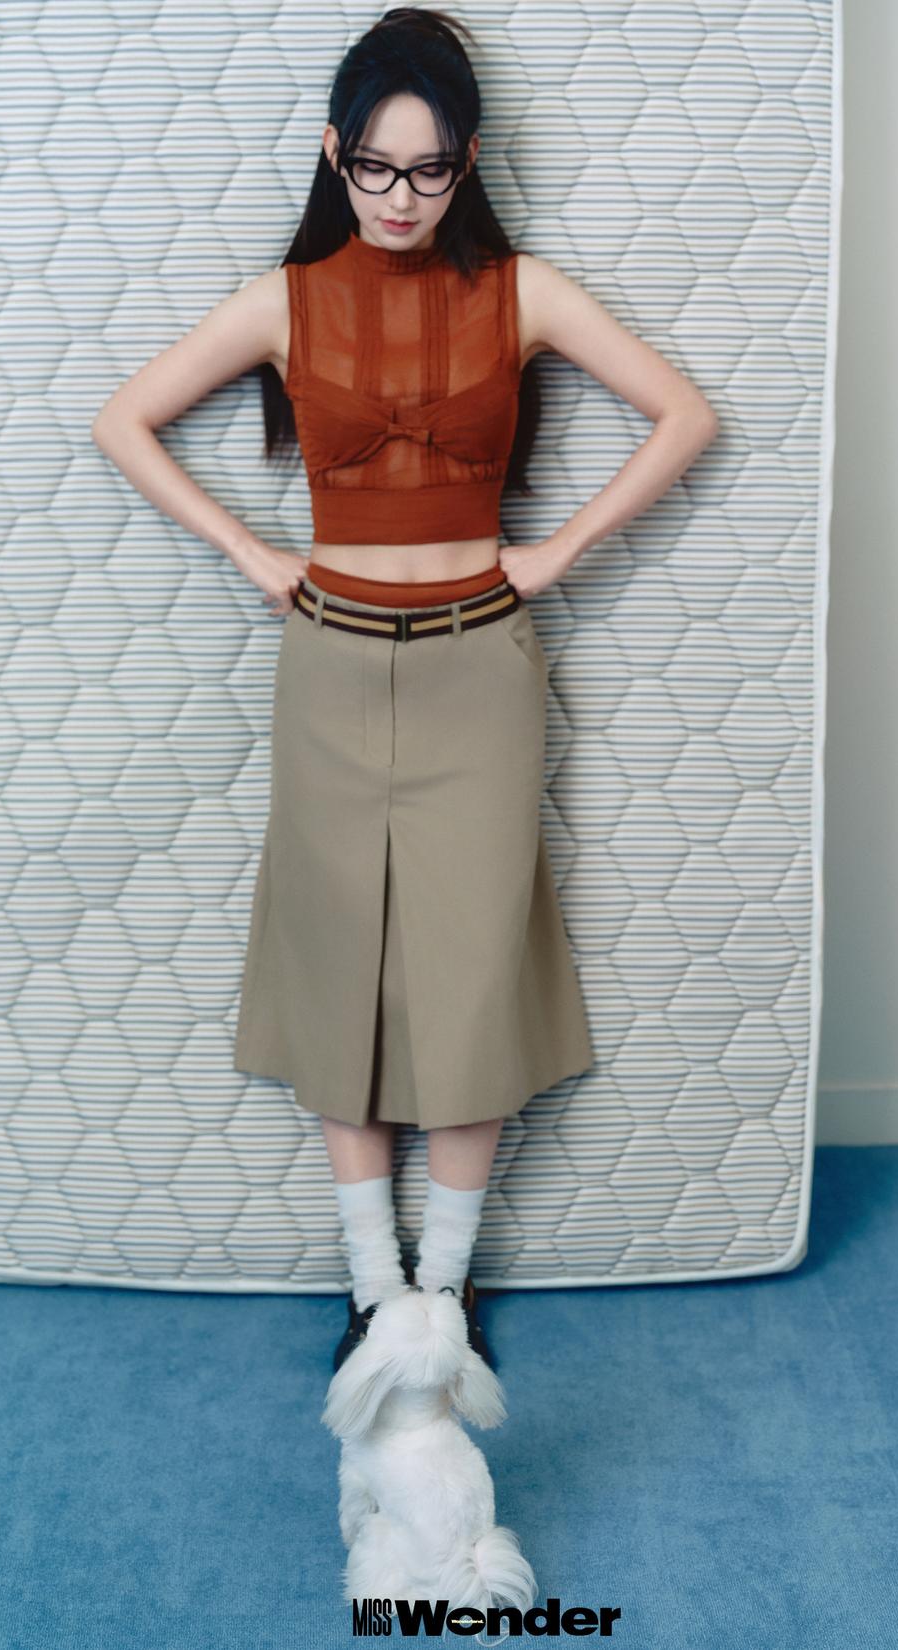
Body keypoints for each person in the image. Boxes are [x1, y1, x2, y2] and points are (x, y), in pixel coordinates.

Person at [91, 7, 719, 1374]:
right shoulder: (285, 298)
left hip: (478, 667)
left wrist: (554, 553)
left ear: (468, 163)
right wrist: (253, 554)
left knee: (471, 966)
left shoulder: (522, 291)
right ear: (335, 153)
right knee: (342, 964)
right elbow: (120, 419)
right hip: (327, 661)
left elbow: (687, 414)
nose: (398, 197)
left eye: (429, 170)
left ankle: (444, 1287)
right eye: (374, 166)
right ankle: (372, 1287)